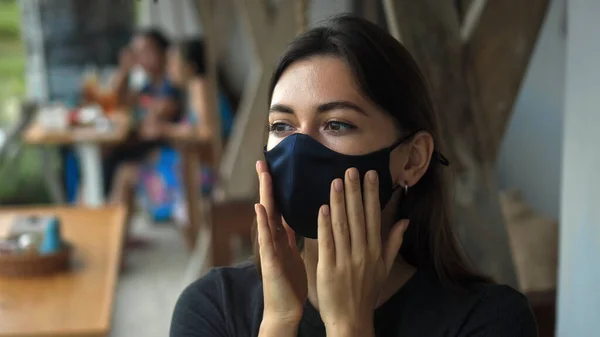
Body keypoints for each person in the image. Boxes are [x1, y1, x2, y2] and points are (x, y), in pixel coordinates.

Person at [170, 15, 537, 337]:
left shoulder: (490, 321)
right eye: (282, 125)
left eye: (336, 124)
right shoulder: (211, 307)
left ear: (412, 159)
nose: (298, 149)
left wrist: (349, 327)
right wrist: (280, 320)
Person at [105, 28, 182, 203]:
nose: (141, 57)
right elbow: (114, 101)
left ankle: (111, 222)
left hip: (169, 153)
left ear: (164, 52)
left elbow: (161, 114)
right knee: (109, 156)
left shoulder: (173, 82)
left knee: (119, 167)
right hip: (152, 148)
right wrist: (124, 69)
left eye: (146, 51)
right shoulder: (149, 86)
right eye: (137, 52)